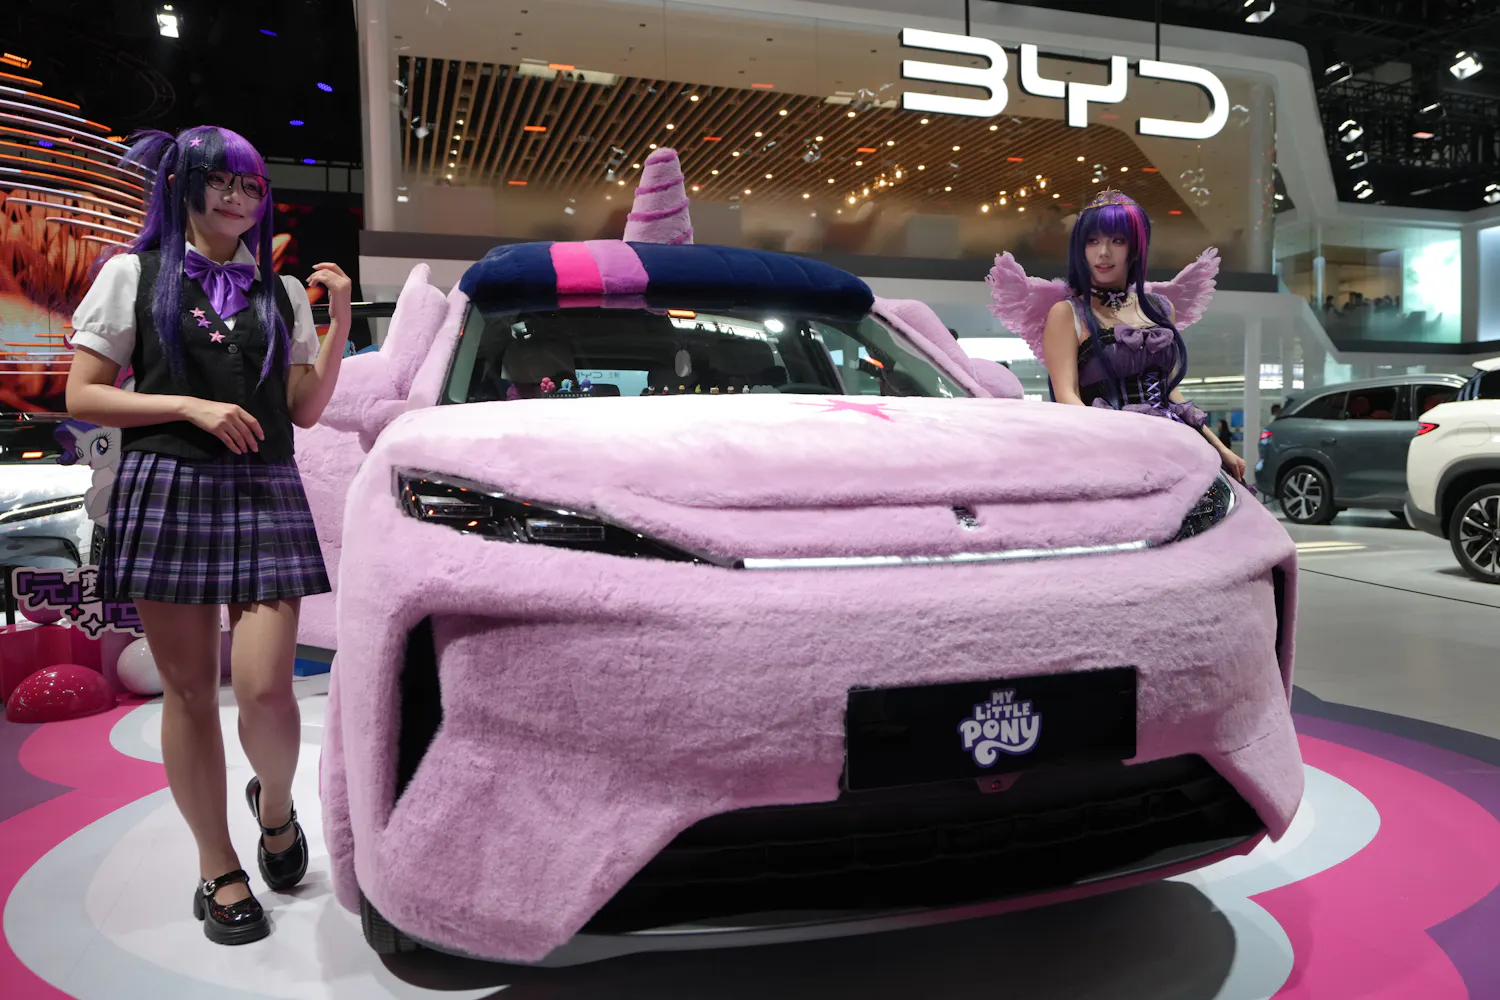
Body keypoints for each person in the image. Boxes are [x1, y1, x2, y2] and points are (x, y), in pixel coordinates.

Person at [64, 125, 353, 945]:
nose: (237, 197)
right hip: (169, 486)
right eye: (221, 182)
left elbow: (303, 410)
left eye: (251, 186)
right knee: (190, 692)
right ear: (181, 186)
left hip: (265, 490)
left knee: (265, 689)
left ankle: (276, 805)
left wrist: (335, 320)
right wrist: (187, 405)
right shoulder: (133, 275)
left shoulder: (279, 290)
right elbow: (84, 394)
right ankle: (217, 863)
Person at [986, 189, 1245, 482]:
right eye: (1092, 241)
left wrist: (1218, 446)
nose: (1103, 252)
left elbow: (1171, 392)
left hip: (1173, 445)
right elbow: (1067, 395)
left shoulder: (1161, 308)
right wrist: (1119, 445)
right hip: (1106, 453)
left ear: (1136, 248)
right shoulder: (1066, 313)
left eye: (1118, 241)